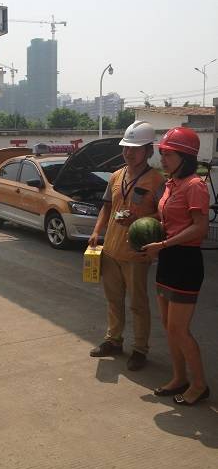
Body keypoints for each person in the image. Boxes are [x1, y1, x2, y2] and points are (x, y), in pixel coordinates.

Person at [89, 121, 165, 370]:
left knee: (138, 304)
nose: (128, 153)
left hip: (137, 253)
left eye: (134, 148)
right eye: (126, 148)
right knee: (113, 299)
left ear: (147, 150)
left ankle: (140, 349)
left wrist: (142, 220)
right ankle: (113, 340)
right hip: (110, 249)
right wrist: (97, 231)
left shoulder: (156, 181)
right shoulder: (116, 176)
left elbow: (165, 216)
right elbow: (107, 207)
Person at [142, 127, 210, 405]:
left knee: (180, 329)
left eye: (168, 154)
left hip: (185, 261)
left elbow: (200, 228)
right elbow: (170, 223)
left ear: (185, 156)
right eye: (162, 153)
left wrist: (164, 245)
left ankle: (200, 385)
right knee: (169, 326)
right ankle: (179, 377)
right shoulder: (171, 184)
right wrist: (147, 230)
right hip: (168, 259)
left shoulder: (195, 185)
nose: (163, 158)